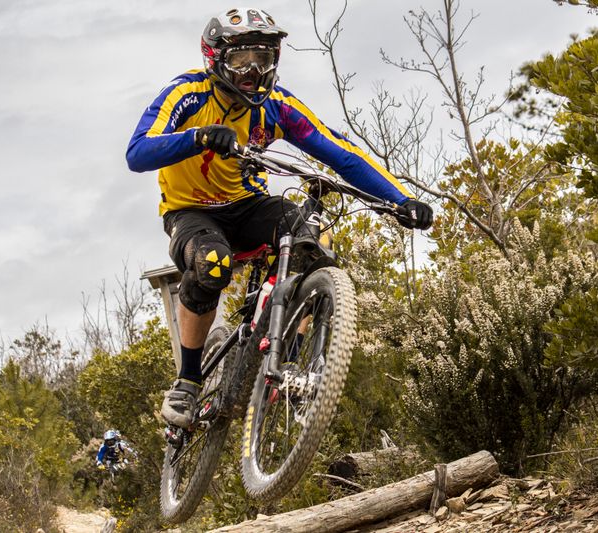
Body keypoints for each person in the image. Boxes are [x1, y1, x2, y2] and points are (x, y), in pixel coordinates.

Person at [126, 7, 434, 429]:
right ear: (215, 57)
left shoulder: (278, 107)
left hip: (248, 205)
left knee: (315, 237)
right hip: (191, 212)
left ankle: (288, 363)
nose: (254, 70)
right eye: (241, 60)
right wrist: (197, 138)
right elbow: (138, 152)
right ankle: (188, 381)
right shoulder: (188, 94)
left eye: (265, 58)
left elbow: (340, 153)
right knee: (212, 264)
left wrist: (400, 201)